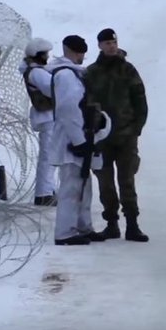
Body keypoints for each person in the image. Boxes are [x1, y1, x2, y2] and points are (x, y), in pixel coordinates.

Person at [84, 28, 150, 242]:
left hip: (125, 136)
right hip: (102, 137)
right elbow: (85, 102)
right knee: (105, 182)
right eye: (107, 43)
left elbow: (140, 102)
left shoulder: (128, 70)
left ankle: (132, 224)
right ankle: (111, 223)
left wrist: (135, 129)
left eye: (114, 42)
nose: (111, 46)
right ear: (100, 46)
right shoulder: (92, 72)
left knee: (127, 180)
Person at [48, 35, 111, 246]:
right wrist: (78, 141)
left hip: (81, 136)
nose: (82, 55)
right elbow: (68, 109)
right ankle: (65, 232)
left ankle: (83, 226)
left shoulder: (74, 74)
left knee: (84, 185)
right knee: (71, 187)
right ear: (72, 51)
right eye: (80, 51)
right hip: (71, 140)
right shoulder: (66, 76)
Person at [18, 37, 58, 206]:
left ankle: (47, 190)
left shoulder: (36, 70)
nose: (47, 57)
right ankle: (44, 193)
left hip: (47, 116)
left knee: (49, 156)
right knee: (48, 157)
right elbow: (53, 89)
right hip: (48, 117)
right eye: (45, 54)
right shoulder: (37, 73)